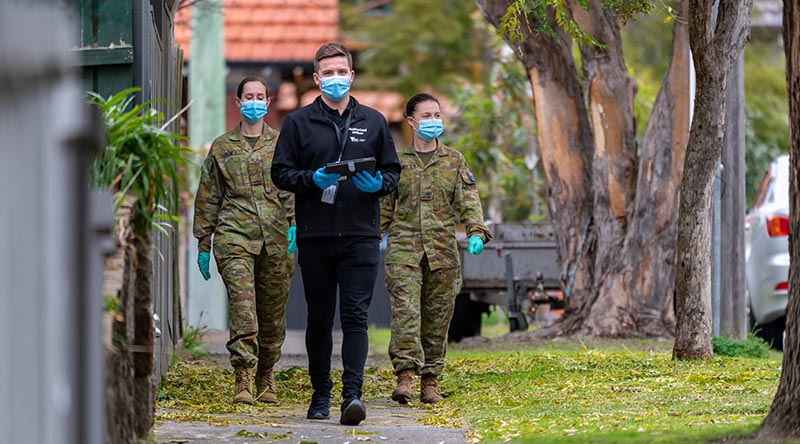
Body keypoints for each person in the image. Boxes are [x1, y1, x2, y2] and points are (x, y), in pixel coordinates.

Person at [271, 42, 401, 426]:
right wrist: (312, 179)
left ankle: (352, 396)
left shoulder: (374, 121)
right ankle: (320, 394)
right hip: (316, 236)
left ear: (352, 75)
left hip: (361, 235)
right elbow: (280, 174)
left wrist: (377, 184)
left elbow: (393, 173)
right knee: (319, 318)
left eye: (340, 71)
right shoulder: (298, 123)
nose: (335, 79)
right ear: (316, 78)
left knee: (356, 318)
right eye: (327, 73)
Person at [380, 93, 491, 404]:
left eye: (437, 115)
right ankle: (405, 376)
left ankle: (430, 380)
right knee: (406, 313)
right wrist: (368, 238)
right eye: (426, 116)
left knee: (437, 318)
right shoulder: (396, 162)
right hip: (404, 251)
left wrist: (476, 232)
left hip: (442, 252)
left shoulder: (454, 161)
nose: (433, 121)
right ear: (412, 122)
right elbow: (383, 209)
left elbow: (468, 201)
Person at [193, 76, 297, 405]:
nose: (254, 101)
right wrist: (203, 243)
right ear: (238, 103)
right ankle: (243, 376)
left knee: (272, 314)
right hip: (234, 236)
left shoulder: (283, 144)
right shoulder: (222, 147)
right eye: (248, 96)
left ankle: (266, 374)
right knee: (244, 309)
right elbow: (208, 196)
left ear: (269, 102)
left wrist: (297, 225)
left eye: (260, 96)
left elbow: (293, 188)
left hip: (277, 238)